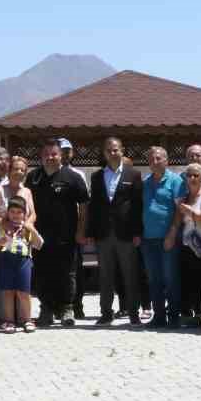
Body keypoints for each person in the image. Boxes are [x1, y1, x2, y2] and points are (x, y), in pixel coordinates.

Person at [28, 139, 88, 327]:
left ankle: (67, 308)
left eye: (53, 154)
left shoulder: (73, 177)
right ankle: (46, 308)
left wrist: (81, 230)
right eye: (46, 154)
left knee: (67, 274)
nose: (50, 158)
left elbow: (85, 206)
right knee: (42, 273)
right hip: (40, 237)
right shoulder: (33, 177)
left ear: (61, 155)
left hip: (67, 236)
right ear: (41, 156)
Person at [85, 136, 142, 326]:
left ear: (122, 150)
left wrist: (137, 233)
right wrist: (91, 233)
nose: (112, 153)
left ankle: (133, 313)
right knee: (105, 275)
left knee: (130, 274)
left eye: (115, 149)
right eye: (109, 150)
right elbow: (93, 207)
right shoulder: (96, 176)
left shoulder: (133, 174)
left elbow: (137, 205)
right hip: (103, 233)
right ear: (104, 153)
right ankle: (106, 313)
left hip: (126, 233)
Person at [0, 154, 35, 326]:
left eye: (22, 170)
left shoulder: (27, 192)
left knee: (21, 280)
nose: (19, 172)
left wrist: (26, 225)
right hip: (2, 240)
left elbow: (33, 213)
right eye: (16, 169)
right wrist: (4, 223)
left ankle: (23, 317)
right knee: (1, 280)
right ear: (9, 170)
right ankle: (4, 317)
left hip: (22, 242)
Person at [139, 146, 185, 328]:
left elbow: (180, 211)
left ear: (166, 160)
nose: (154, 162)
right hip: (148, 239)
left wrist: (172, 233)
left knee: (170, 278)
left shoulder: (176, 181)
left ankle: (173, 317)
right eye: (151, 159)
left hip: (168, 238)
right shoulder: (145, 182)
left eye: (158, 158)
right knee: (154, 279)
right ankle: (158, 316)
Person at [175, 163, 201, 326]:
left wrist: (193, 214)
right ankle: (197, 314)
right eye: (189, 175)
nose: (192, 178)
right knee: (192, 281)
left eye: (196, 175)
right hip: (188, 245)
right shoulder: (183, 198)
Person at [0, 197, 43, 333]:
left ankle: (27, 319)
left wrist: (32, 230)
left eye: (19, 212)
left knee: (24, 292)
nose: (15, 215)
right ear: (8, 213)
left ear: (25, 213)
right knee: (7, 292)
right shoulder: (2, 227)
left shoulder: (27, 228)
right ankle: (9, 321)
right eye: (12, 212)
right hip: (6, 261)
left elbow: (39, 244)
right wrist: (1, 241)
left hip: (24, 262)